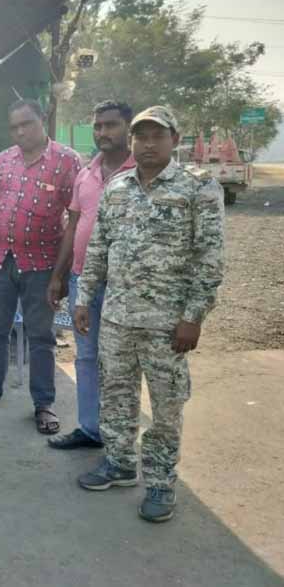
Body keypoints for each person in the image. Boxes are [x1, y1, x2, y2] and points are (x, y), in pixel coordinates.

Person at [74, 106, 224, 523]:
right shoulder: (118, 187)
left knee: (165, 409)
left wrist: (194, 316)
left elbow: (210, 259)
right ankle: (120, 464)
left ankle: (160, 483)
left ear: (175, 140)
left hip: (167, 326)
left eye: (157, 136)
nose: (148, 144)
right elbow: (99, 248)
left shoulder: (199, 189)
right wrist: (84, 299)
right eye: (141, 137)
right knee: (117, 398)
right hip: (118, 319)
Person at [0, 99, 81, 434]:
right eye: (14, 126)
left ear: (43, 119)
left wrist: (60, 274)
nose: (20, 131)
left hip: (41, 265)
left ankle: (44, 404)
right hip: (1, 260)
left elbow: (74, 219)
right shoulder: (4, 158)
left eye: (27, 123)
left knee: (40, 335)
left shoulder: (67, 160)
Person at [46, 101, 136, 450]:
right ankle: (90, 428)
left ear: (128, 128)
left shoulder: (140, 172)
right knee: (85, 357)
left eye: (111, 125)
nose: (103, 133)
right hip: (83, 281)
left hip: (123, 286)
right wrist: (59, 276)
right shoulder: (86, 172)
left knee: (120, 362)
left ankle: (119, 439)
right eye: (98, 126)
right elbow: (72, 227)